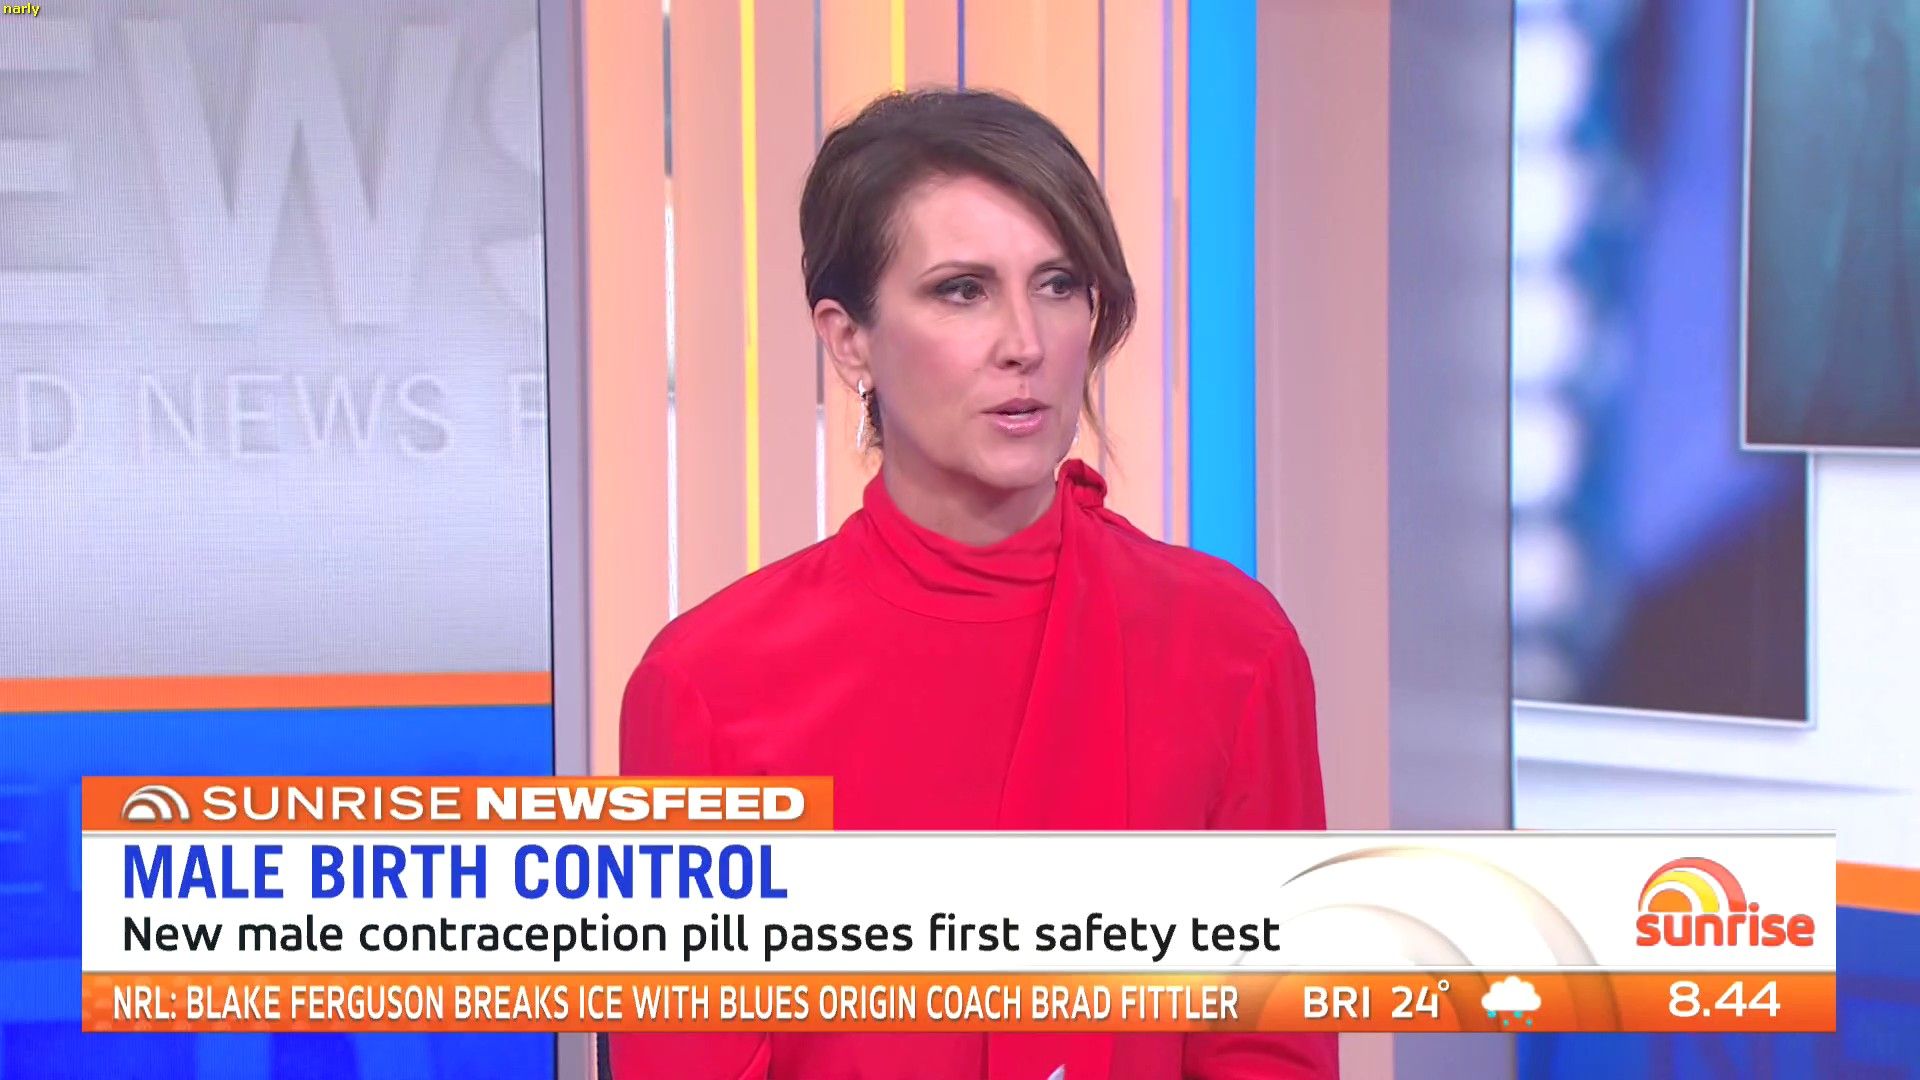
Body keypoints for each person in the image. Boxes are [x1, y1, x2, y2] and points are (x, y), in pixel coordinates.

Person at [611, 88, 1336, 1080]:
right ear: (848, 338)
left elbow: (1272, 1048)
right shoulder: (709, 687)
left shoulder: (1231, 647)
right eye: (962, 290)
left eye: (1057, 284)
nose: (1024, 342)